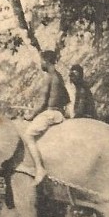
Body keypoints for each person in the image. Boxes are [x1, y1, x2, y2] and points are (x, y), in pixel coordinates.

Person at [22, 50, 70, 185]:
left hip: (50, 113)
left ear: (46, 61)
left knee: (28, 136)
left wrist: (30, 115)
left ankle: (39, 168)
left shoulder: (48, 77)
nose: (40, 63)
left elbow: (42, 103)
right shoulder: (59, 77)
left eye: (41, 60)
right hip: (59, 113)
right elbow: (66, 99)